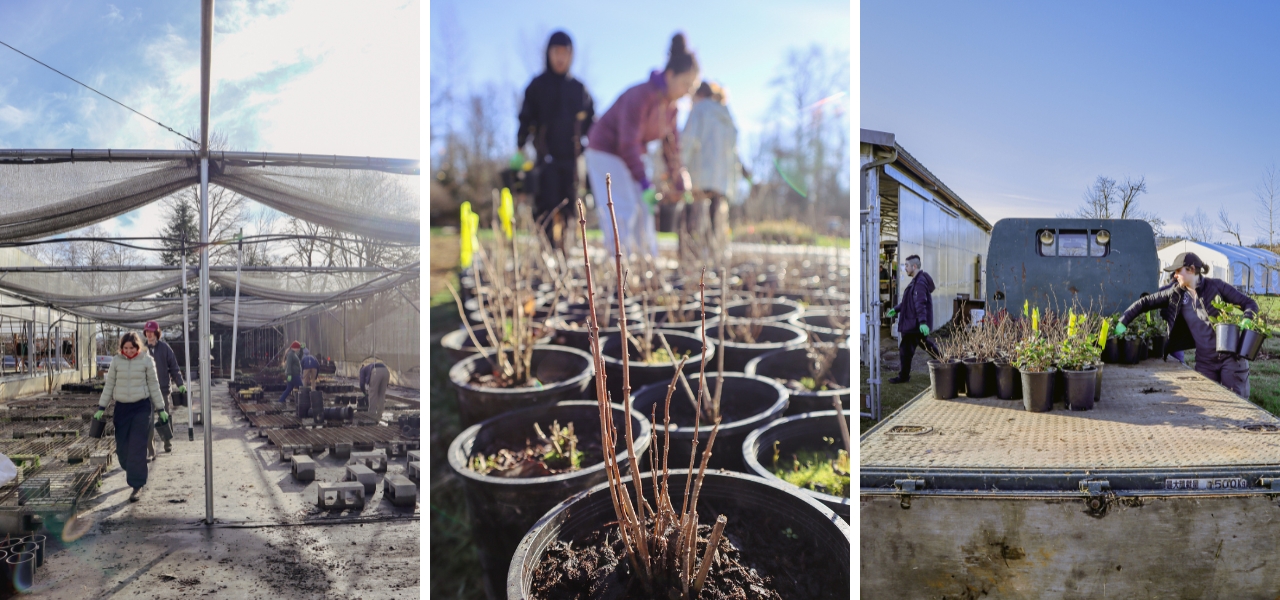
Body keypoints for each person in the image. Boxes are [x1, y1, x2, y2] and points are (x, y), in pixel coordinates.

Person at [586, 32, 700, 258]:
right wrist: (644, 181)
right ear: (670, 75)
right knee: (624, 205)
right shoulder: (642, 96)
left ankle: (646, 261)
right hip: (605, 150)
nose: (687, 91)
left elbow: (672, 149)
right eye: (685, 84)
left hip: (629, 156)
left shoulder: (671, 109)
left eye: (692, 86)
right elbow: (627, 143)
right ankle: (620, 262)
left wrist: (679, 179)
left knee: (644, 207)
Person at [1116, 252, 1258, 397]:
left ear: (1191, 269)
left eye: (1178, 271)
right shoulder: (1176, 293)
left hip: (1230, 358)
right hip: (1205, 361)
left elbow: (1249, 303)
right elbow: (1145, 302)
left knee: (1236, 399)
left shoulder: (1216, 286)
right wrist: (1123, 322)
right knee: (1207, 399)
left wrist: (1247, 318)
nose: (1175, 275)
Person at [516, 30, 595, 250]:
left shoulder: (579, 89)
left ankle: (567, 250)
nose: (560, 57)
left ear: (571, 55)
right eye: (556, 52)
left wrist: (592, 149)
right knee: (547, 207)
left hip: (572, 160)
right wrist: (520, 145)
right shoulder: (537, 86)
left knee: (571, 208)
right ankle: (547, 251)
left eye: (565, 53)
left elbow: (591, 124)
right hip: (546, 159)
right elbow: (525, 118)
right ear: (548, 54)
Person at [94, 332, 167, 503]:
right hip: (122, 408)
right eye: (125, 348)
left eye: (131, 348)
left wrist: (161, 408)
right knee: (122, 449)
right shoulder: (116, 361)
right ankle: (132, 469)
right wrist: (101, 407)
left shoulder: (147, 361)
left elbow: (154, 385)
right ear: (121, 348)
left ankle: (137, 485)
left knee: (137, 446)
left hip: (141, 407)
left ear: (137, 347)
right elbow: (109, 385)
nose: (128, 351)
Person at [679, 81, 741, 264]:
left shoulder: (699, 110)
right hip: (721, 180)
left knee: (691, 219)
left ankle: (690, 259)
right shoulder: (727, 118)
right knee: (716, 221)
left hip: (698, 175)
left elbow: (688, 141)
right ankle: (715, 260)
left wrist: (679, 168)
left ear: (698, 95)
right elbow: (733, 153)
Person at [886, 255, 939, 384]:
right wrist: (897, 309)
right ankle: (945, 362)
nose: (905, 268)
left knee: (905, 350)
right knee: (925, 345)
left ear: (914, 266)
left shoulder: (919, 282)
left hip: (914, 324)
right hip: (915, 323)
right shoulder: (916, 281)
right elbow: (909, 301)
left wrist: (922, 323)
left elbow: (920, 303)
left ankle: (903, 376)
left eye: (907, 265)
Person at [142, 321, 184, 456]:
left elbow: (174, 367)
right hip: (147, 392)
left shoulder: (165, 348)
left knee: (164, 416)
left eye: (151, 332)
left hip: (163, 390)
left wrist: (180, 383)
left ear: (157, 333)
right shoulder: (142, 349)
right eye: (147, 332)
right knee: (148, 420)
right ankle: (150, 449)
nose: (149, 334)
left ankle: (167, 441)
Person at [360, 358, 390, 422]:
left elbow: (362, 384)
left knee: (372, 394)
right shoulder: (368, 367)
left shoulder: (362, 370)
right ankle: (380, 412)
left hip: (376, 371)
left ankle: (372, 413)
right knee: (381, 394)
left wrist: (364, 393)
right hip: (386, 371)